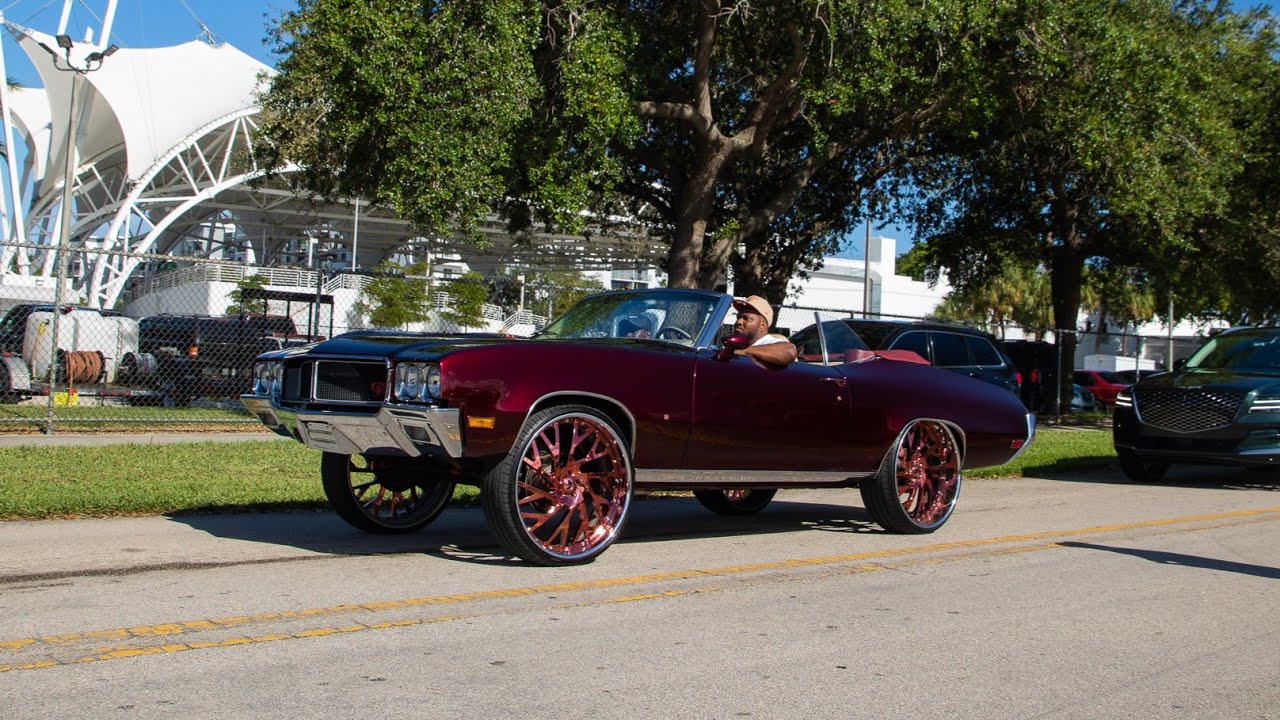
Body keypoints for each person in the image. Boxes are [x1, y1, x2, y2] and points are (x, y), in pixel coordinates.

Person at [730, 295, 796, 366]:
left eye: (747, 318)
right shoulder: (735, 344)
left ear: (762, 326)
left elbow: (789, 351)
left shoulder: (770, 343)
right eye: (738, 317)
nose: (738, 322)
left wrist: (743, 351)